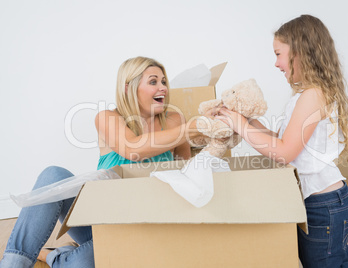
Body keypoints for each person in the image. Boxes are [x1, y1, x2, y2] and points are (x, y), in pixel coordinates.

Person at [215, 15, 348, 268]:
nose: (276, 63)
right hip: (318, 200)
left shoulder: (313, 96)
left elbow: (285, 153)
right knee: (320, 258)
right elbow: (282, 141)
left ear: (300, 53)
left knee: (324, 265)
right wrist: (247, 123)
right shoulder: (304, 95)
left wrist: (241, 126)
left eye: (279, 54)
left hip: (324, 203)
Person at [0, 56, 202, 268]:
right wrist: (190, 130)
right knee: (53, 175)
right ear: (128, 88)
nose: (163, 88)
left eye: (163, 81)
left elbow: (186, 173)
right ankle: (13, 263)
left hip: (143, 226)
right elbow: (133, 148)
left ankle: (56, 256)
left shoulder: (174, 120)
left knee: (87, 263)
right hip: (101, 220)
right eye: (153, 82)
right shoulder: (108, 117)